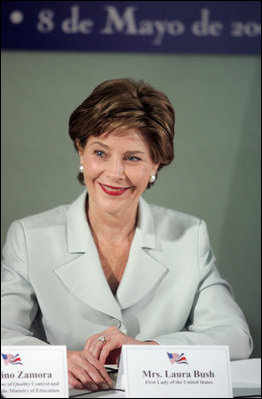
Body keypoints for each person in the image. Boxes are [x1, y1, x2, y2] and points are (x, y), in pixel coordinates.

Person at [1, 78, 253, 391]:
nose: (114, 173)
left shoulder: (189, 236)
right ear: (81, 152)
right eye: (100, 153)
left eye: (132, 157)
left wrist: (144, 350)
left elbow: (235, 337)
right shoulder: (29, 237)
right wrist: (56, 361)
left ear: (155, 165)